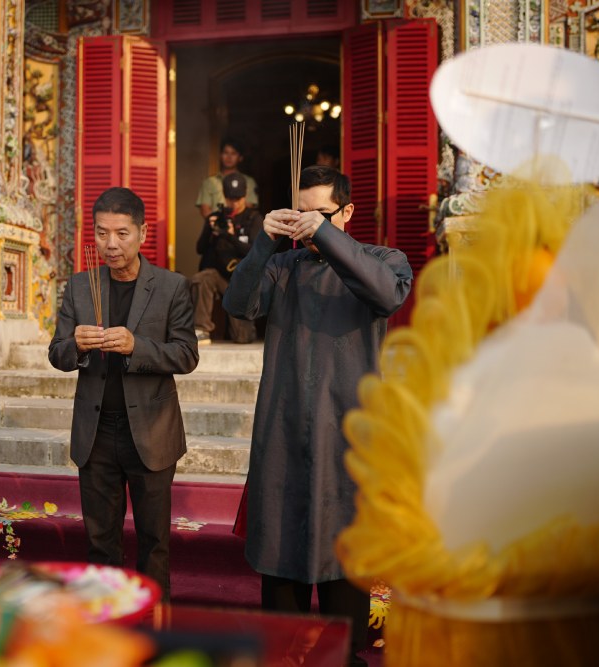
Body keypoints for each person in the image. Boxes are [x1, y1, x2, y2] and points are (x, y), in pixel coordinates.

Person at [223, 166, 412, 666]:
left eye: (322, 214)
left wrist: (325, 235)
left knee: (345, 561)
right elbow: (238, 305)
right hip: (282, 432)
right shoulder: (282, 266)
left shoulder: (384, 260)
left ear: (347, 212)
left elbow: (387, 295)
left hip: (349, 436)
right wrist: (264, 241)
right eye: (301, 213)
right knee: (280, 560)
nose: (308, 224)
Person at [48, 187, 199, 599]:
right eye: (101, 234)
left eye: (121, 233)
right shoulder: (80, 286)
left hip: (151, 430)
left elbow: (187, 354)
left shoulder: (171, 287)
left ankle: (154, 622)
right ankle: (105, 622)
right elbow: (57, 353)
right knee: (100, 542)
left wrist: (137, 347)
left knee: (154, 542)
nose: (110, 244)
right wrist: (76, 345)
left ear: (142, 233)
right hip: (96, 432)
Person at [191, 174, 262, 345]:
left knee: (242, 338)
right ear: (224, 195)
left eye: (238, 198)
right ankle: (201, 329)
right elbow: (199, 249)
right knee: (202, 277)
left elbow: (256, 252)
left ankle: (247, 328)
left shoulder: (254, 218)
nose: (234, 203)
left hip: (241, 282)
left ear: (245, 195)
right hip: (220, 276)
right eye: (230, 198)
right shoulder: (216, 217)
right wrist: (210, 229)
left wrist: (229, 236)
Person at [196, 138, 259, 220]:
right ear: (220, 155)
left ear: (240, 157)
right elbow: (205, 209)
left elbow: (249, 207)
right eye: (226, 153)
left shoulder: (249, 182)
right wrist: (218, 223)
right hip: (215, 225)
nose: (229, 157)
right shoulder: (209, 182)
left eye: (233, 153)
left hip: (241, 226)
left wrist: (235, 223)